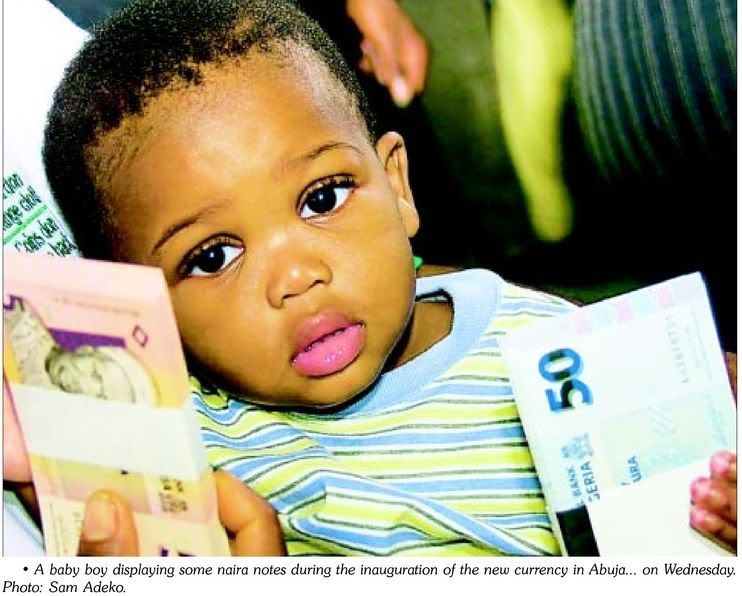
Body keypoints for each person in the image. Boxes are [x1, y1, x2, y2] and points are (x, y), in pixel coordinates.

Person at [18, 0, 734, 555]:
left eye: (322, 198)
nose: (295, 276)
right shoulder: (173, 439)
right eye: (212, 257)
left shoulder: (560, 353)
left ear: (397, 185)